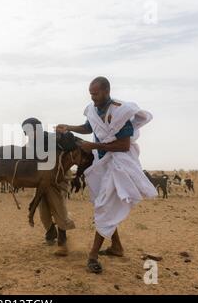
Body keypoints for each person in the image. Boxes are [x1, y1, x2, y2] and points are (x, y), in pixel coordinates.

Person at [56, 77, 157, 273]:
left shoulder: (121, 111)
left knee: (104, 206)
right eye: (91, 94)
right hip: (101, 163)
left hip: (120, 163)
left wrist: (94, 145)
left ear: (106, 91)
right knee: (104, 204)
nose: (92, 98)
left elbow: (123, 145)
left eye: (95, 93)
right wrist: (68, 127)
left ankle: (93, 255)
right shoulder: (93, 110)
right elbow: (88, 127)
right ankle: (117, 247)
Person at [22, 117, 75, 256]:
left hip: (57, 180)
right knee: (43, 210)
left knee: (58, 208)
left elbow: (71, 143)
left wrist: (64, 133)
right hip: (42, 181)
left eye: (27, 131)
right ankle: (51, 234)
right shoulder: (31, 145)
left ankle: (63, 244)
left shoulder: (52, 138)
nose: (26, 135)